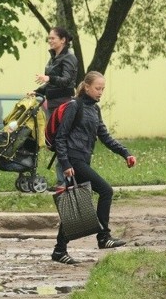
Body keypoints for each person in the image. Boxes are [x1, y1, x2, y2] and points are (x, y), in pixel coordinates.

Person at [52, 71, 137, 264]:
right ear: (87, 87)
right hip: (73, 161)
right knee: (106, 191)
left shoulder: (94, 109)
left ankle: (59, 250)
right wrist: (65, 163)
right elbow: (61, 137)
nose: (100, 92)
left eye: (103, 89)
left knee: (77, 204)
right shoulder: (75, 106)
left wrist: (126, 153)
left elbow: (104, 136)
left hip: (82, 159)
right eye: (98, 88)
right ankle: (103, 237)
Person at [30, 26, 78, 190]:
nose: (50, 41)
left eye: (53, 38)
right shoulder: (53, 58)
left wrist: (48, 77)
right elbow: (50, 84)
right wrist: (36, 91)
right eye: (49, 38)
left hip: (63, 103)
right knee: (56, 141)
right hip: (52, 103)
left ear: (63, 40)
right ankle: (62, 180)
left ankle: (64, 181)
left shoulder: (69, 58)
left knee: (61, 140)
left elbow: (66, 81)